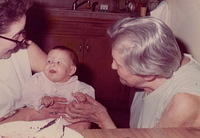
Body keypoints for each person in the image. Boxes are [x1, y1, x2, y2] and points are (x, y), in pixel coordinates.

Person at [63, 17, 200, 128]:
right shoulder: (157, 64)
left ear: (148, 74)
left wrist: (103, 119)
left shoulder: (184, 104)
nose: (112, 66)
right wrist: (102, 115)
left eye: (118, 64)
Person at [0, 0, 67, 124]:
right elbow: (27, 115)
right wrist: (26, 115)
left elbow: (63, 78)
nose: (23, 39)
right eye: (16, 35)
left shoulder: (24, 49)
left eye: (23, 32)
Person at [20, 46, 95, 129]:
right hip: (38, 123)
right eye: (49, 61)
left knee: (82, 125)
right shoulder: (38, 79)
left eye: (59, 62)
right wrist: (40, 99)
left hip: (66, 124)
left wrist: (83, 99)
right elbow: (28, 92)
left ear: (71, 70)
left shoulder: (77, 86)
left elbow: (90, 96)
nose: (52, 64)